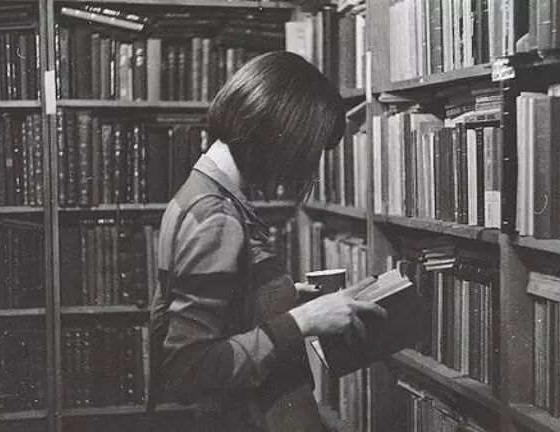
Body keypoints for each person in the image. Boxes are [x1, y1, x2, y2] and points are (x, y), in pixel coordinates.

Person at [149, 51, 388, 431]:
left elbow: (223, 304)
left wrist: (282, 296)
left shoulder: (200, 192)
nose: (301, 169)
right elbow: (190, 368)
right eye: (305, 153)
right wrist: (304, 320)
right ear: (274, 135)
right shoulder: (215, 215)